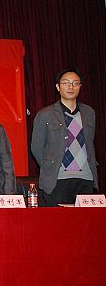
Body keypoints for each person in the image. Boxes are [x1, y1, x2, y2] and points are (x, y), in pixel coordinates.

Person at [31, 69, 98, 206]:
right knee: (58, 220)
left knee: (86, 220)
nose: (71, 87)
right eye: (66, 83)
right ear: (58, 87)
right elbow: (36, 148)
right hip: (57, 179)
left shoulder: (89, 113)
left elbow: (90, 143)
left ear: (80, 86)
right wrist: (50, 165)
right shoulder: (45, 114)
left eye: (75, 83)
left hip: (86, 178)